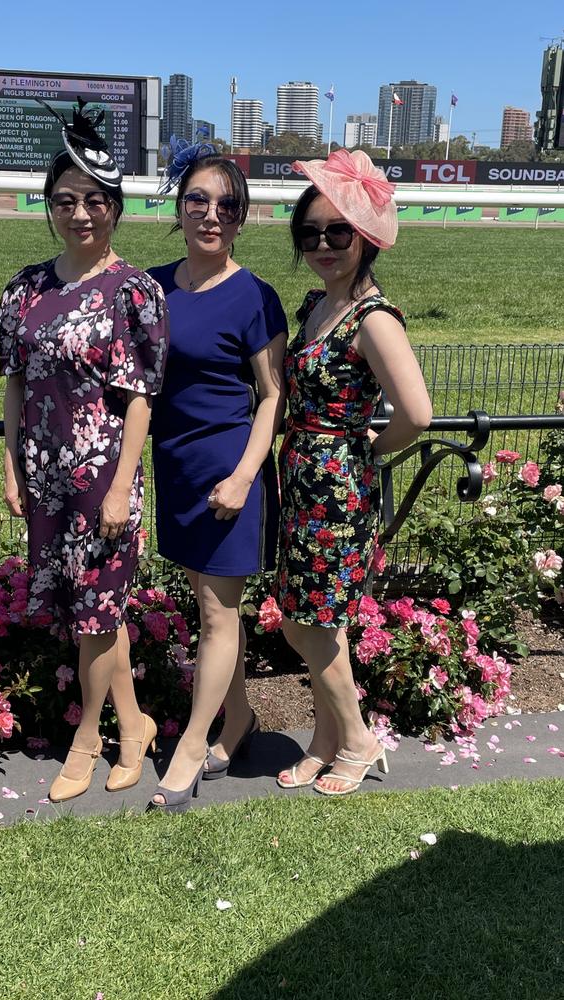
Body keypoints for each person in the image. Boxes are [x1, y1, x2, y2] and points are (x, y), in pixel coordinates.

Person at [0, 100, 169, 802]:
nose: (81, 214)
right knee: (92, 614)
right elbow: (14, 384)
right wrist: (9, 463)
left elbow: (139, 398)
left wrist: (123, 484)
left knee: (97, 613)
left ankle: (86, 739)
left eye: (95, 201)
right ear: (48, 206)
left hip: (102, 475)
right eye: (65, 201)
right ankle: (137, 726)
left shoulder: (135, 293)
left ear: (116, 208)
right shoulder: (25, 289)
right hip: (44, 477)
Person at [275, 149, 432, 796]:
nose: (322, 245)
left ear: (364, 238)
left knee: (308, 620)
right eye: (309, 234)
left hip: (336, 488)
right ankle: (325, 737)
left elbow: (417, 415)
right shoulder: (317, 304)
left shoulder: (373, 318)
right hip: (303, 479)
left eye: (337, 232)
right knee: (307, 616)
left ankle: (359, 740)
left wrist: (366, 444)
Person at [146, 140, 287, 812]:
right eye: (197, 199)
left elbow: (271, 396)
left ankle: (194, 744)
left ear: (241, 217)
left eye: (226, 204)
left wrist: (243, 475)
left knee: (214, 612)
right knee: (203, 602)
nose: (211, 214)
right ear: (179, 207)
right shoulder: (151, 286)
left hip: (231, 473)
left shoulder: (255, 296)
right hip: (176, 471)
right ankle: (243, 722)